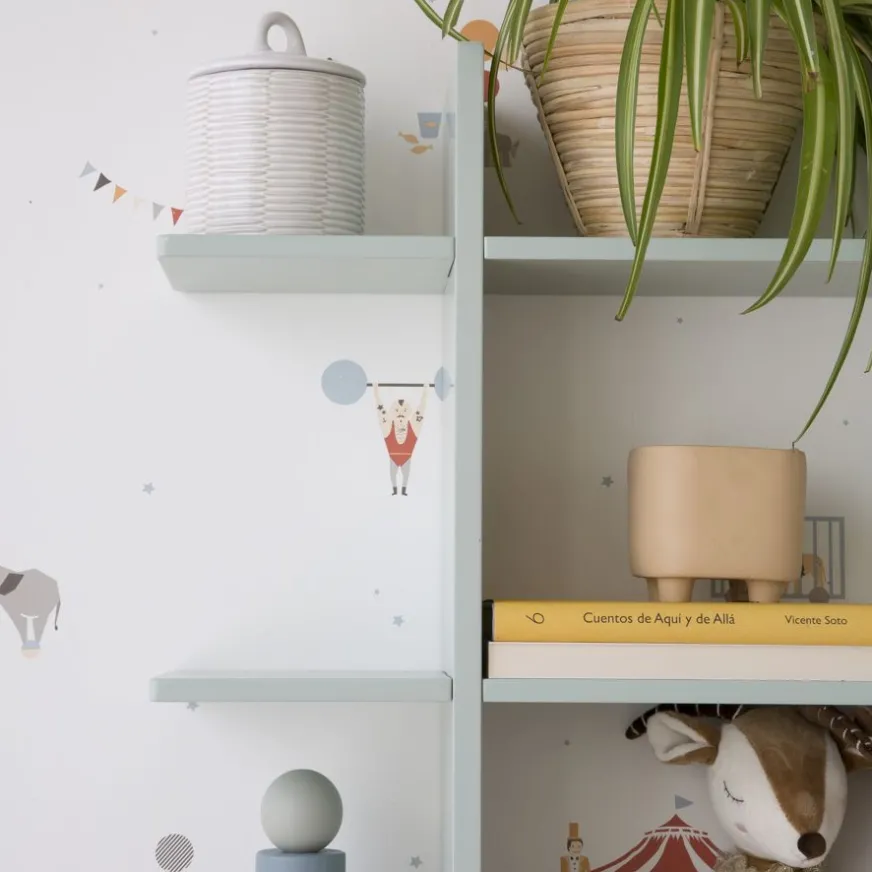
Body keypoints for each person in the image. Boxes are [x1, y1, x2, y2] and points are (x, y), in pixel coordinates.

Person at [374, 382, 428, 495]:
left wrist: (425, 393)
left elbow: (421, 410)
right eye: (398, 413)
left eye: (403, 413)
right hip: (396, 457)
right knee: (394, 475)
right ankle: (397, 490)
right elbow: (381, 413)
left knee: (404, 475)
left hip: (404, 457)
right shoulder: (389, 427)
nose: (400, 417)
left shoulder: (412, 426)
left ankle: (402, 490)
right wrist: (376, 394)